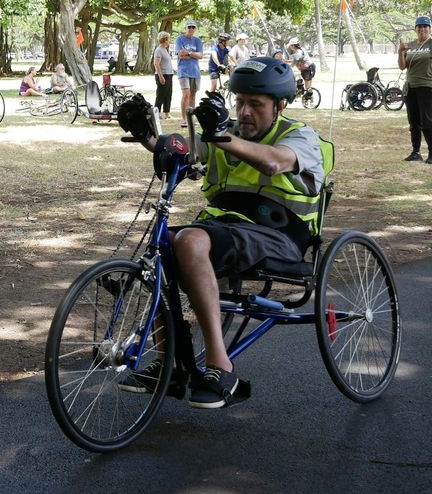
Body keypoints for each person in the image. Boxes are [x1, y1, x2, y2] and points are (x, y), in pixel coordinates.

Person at [118, 57, 326, 408]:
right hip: (226, 229)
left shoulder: (299, 135)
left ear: (280, 106)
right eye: (240, 102)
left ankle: (220, 366)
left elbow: (273, 161)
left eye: (255, 105)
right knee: (160, 248)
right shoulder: (224, 130)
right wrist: (148, 136)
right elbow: (184, 151)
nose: (245, 112)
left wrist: (221, 135)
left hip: (280, 235)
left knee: (189, 239)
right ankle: (168, 361)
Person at [398, 15, 432, 164]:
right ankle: (416, 152)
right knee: (413, 122)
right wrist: (400, 52)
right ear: (415, 29)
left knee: (427, 121)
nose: (422, 29)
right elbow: (402, 66)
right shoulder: (411, 45)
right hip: (411, 87)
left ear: (429, 29)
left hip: (427, 87)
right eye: (419, 26)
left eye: (425, 26)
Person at [175, 20, 204, 125]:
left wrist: (189, 53)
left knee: (193, 95)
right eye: (189, 27)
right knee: (186, 94)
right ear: (185, 28)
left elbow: (201, 56)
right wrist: (193, 55)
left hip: (195, 72)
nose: (191, 29)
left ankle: (191, 119)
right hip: (183, 71)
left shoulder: (198, 41)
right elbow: (181, 55)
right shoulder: (180, 39)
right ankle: (184, 119)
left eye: (193, 27)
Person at [152, 32, 174, 118]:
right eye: (169, 39)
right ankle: (157, 113)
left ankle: (167, 112)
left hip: (169, 74)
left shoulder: (165, 50)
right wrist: (160, 76)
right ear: (165, 40)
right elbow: (156, 64)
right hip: (162, 74)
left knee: (168, 94)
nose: (169, 41)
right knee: (161, 94)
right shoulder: (159, 50)